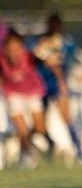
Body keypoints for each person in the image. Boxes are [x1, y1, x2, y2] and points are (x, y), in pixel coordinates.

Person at [28, 14, 82, 159]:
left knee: (66, 116)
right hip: (41, 83)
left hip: (58, 83)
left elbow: (68, 61)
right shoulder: (39, 40)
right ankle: (46, 145)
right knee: (39, 121)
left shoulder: (67, 41)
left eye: (56, 24)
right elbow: (30, 54)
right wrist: (41, 51)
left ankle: (79, 151)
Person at [1, 30, 49, 167]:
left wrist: (44, 47)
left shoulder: (29, 57)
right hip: (13, 95)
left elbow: (41, 55)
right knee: (23, 131)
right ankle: (26, 156)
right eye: (10, 49)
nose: (13, 52)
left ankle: (30, 151)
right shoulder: (2, 61)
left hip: (33, 94)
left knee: (40, 132)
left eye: (16, 48)